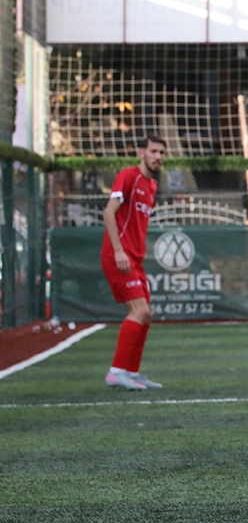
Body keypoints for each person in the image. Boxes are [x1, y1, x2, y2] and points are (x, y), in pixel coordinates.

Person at [100, 134, 167, 391]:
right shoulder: (128, 176)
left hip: (135, 259)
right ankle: (116, 372)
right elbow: (109, 213)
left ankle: (131, 372)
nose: (158, 157)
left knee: (146, 314)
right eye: (153, 151)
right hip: (119, 255)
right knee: (139, 311)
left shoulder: (152, 186)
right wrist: (119, 251)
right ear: (142, 152)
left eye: (161, 153)